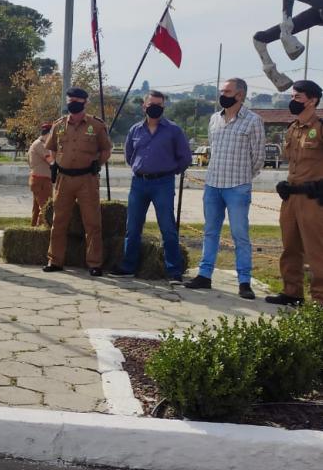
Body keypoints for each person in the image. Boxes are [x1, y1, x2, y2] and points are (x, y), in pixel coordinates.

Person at [184, 78, 265, 299]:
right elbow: (213, 148)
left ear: (240, 95)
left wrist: (244, 177)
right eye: (221, 91)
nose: (222, 95)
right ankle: (204, 275)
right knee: (210, 231)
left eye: (227, 91)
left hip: (237, 186)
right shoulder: (214, 119)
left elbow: (258, 157)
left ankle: (244, 281)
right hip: (213, 185)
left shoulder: (253, 121)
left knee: (240, 234)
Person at [109, 91, 192, 282]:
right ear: (144, 106)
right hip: (138, 183)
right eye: (151, 104)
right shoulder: (135, 130)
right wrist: (141, 168)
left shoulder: (173, 130)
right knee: (132, 227)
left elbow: (185, 157)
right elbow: (129, 155)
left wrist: (171, 171)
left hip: (163, 183)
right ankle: (128, 266)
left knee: (167, 227)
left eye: (159, 105)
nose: (155, 108)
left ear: (163, 107)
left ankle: (174, 271)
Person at [43, 87, 112, 276]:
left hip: (87, 179)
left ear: (85, 102)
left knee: (92, 223)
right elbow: (51, 148)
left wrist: (97, 164)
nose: (72, 104)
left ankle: (94, 263)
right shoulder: (59, 125)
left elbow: (106, 150)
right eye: (70, 101)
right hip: (64, 179)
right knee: (59, 221)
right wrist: (54, 163)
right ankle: (54, 261)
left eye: (76, 101)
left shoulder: (96, 125)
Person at [266, 80, 323, 306]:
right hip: (291, 197)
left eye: (298, 97)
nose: (293, 101)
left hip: (313, 198)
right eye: (292, 97)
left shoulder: (320, 128)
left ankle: (320, 299)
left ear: (312, 100)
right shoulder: (292, 128)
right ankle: (292, 292)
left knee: (316, 249)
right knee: (290, 246)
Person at [28, 123, 54, 227]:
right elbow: (51, 161)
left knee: (36, 209)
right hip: (41, 181)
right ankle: (42, 230)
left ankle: (34, 230)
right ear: (49, 133)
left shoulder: (38, 143)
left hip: (39, 180)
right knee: (46, 209)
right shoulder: (40, 144)